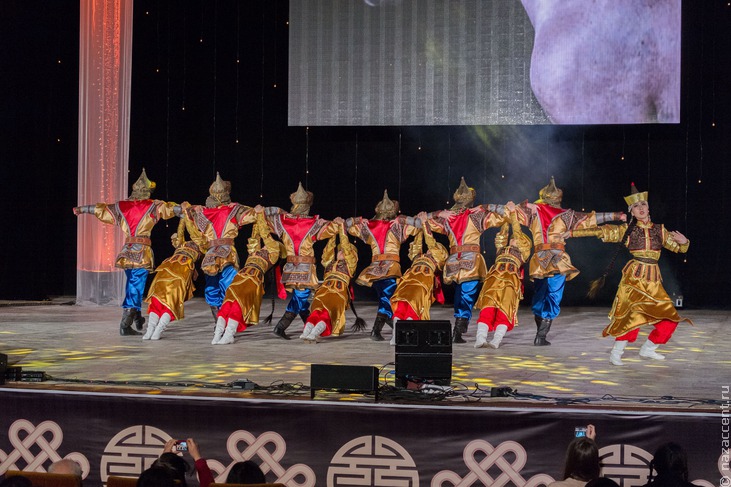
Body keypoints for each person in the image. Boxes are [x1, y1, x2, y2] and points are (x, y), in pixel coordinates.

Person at [569, 183, 691, 366]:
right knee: (630, 316)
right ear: (631, 211)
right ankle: (617, 352)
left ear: (648, 208)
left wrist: (684, 242)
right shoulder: (627, 230)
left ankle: (648, 349)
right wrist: (571, 233)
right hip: (633, 279)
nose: (640, 208)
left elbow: (679, 249)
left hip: (653, 281)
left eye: (643, 205)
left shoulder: (660, 230)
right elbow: (600, 231)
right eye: (636, 206)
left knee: (670, 319)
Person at [74, 169, 178, 336]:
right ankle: (126, 323)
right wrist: (186, 209)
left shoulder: (121, 206)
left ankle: (137, 318)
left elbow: (101, 209)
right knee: (135, 287)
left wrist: (82, 209)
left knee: (132, 284)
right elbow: (171, 209)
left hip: (127, 252)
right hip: (141, 252)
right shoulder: (153, 205)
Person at [522, 176, 625, 346]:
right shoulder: (554, 214)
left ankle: (540, 334)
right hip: (552, 260)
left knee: (544, 295)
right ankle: (540, 335)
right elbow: (590, 219)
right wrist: (615, 215)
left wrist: (491, 207)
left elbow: (507, 211)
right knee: (549, 295)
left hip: (545, 260)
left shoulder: (535, 212)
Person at [425, 177, 508, 343]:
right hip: (470, 260)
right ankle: (457, 330)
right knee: (466, 295)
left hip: (454, 261)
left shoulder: (447, 218)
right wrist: (485, 207)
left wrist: (438, 213)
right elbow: (505, 213)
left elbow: (421, 220)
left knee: (460, 294)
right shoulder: (476, 215)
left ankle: (458, 329)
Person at [264, 182, 339, 339]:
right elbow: (332, 228)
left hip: (291, 266)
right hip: (305, 266)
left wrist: (277, 211)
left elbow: (264, 220)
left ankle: (308, 325)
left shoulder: (282, 221)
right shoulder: (313, 223)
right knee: (301, 296)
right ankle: (280, 327)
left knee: (302, 297)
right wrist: (337, 222)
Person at [345, 190, 419, 341]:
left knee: (386, 298)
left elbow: (346, 225)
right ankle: (393, 330)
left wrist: (358, 220)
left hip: (374, 268)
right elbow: (419, 224)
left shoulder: (370, 226)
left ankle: (380, 331)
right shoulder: (397, 225)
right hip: (390, 266)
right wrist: (403, 219)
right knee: (389, 299)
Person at [182, 173, 256, 322]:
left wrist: (186, 209)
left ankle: (219, 323)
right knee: (231, 287)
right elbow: (255, 214)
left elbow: (188, 218)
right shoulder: (234, 210)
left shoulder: (200, 212)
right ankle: (227, 322)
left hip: (210, 255)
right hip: (227, 252)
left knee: (212, 288)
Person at [212, 208, 285, 345]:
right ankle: (218, 334)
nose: (264, 246)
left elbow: (265, 236)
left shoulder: (273, 254)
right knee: (227, 304)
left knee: (238, 305)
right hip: (241, 276)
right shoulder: (256, 251)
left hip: (253, 279)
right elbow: (255, 236)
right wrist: (258, 216)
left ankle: (229, 334)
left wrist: (261, 216)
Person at [474, 204, 532, 349]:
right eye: (513, 239)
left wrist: (513, 213)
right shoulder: (502, 249)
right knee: (487, 307)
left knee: (504, 310)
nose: (515, 239)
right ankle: (480, 338)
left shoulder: (524, 253)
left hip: (510, 280)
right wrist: (506, 216)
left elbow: (517, 232)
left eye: (519, 239)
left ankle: (496, 340)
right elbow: (502, 235)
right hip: (494, 278)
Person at [388, 211, 449, 345]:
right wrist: (420, 228)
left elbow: (431, 243)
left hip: (423, 280)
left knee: (414, 305)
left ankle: (409, 335)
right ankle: (395, 336)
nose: (428, 250)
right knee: (401, 303)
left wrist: (425, 223)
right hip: (408, 279)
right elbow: (416, 247)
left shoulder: (439, 259)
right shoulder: (419, 257)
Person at [143, 218, 206, 340]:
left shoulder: (203, 244)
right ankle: (150, 329)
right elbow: (180, 231)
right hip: (168, 266)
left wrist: (188, 217)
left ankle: (159, 329)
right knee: (157, 298)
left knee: (173, 300)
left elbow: (195, 234)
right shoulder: (181, 243)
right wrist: (183, 217)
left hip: (183, 268)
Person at [299, 218, 360, 342]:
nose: (342, 252)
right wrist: (333, 230)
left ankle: (316, 332)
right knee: (316, 310)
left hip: (338, 292)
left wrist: (342, 228)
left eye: (345, 251)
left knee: (328, 312)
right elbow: (328, 251)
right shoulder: (330, 263)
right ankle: (307, 331)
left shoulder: (350, 264)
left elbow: (347, 248)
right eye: (340, 250)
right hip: (323, 290)